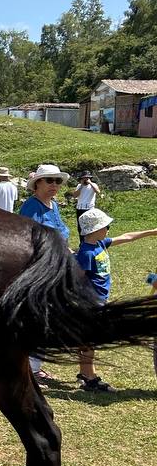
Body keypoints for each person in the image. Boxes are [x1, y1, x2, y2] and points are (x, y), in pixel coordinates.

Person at [73, 208, 157, 392]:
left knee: (88, 340)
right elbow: (77, 279)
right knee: (90, 341)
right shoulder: (86, 253)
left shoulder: (101, 244)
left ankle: (85, 374)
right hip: (91, 303)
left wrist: (150, 232)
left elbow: (127, 236)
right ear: (95, 229)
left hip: (100, 301)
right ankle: (89, 378)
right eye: (106, 226)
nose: (109, 228)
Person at [19, 164, 70, 385]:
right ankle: (29, 369)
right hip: (40, 270)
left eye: (57, 181)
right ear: (37, 183)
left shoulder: (53, 205)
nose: (54, 185)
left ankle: (34, 367)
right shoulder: (31, 207)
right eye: (49, 180)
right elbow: (29, 240)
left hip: (56, 268)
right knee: (38, 318)